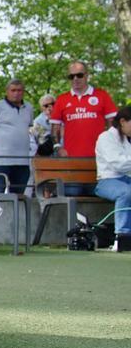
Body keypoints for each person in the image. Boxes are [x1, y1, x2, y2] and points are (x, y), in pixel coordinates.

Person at [50, 61, 117, 195]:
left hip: (98, 160)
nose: (75, 79)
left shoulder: (101, 95)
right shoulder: (62, 99)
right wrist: (58, 147)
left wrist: (112, 145)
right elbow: (54, 127)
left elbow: (113, 123)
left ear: (87, 76)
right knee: (72, 195)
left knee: (98, 197)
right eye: (71, 76)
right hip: (72, 160)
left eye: (79, 75)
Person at [0, 79, 34, 194]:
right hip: (0, 161)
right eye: (13, 90)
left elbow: (29, 128)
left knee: (19, 195)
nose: (16, 93)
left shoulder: (29, 108)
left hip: (22, 161)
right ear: (7, 91)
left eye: (19, 90)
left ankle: (16, 213)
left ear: (23, 92)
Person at [94, 105, 131, 240]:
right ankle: (122, 236)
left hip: (127, 179)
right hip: (107, 181)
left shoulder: (127, 138)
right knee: (127, 192)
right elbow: (118, 164)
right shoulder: (106, 138)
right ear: (122, 122)